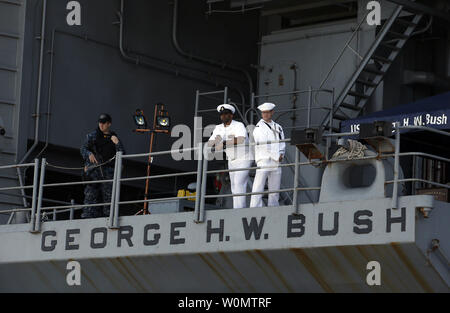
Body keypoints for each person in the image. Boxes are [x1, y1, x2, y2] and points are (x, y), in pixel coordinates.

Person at [80, 113, 125, 218]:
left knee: (108, 199)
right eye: (100, 122)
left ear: (109, 124)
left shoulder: (114, 137)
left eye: (104, 123)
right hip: (94, 171)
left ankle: (108, 219)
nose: (101, 125)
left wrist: (117, 143)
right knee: (90, 197)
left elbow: (121, 153)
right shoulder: (93, 136)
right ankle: (88, 218)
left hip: (108, 172)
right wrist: (89, 154)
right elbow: (83, 149)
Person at [208, 104, 252, 209]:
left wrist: (223, 143)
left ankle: (239, 210)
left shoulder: (238, 125)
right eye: (222, 115)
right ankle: (237, 209)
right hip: (231, 160)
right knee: (233, 186)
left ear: (231, 115)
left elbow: (240, 139)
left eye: (226, 114)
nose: (223, 116)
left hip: (244, 157)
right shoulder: (218, 128)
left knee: (239, 183)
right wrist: (216, 142)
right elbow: (210, 142)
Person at [250, 102, 285, 207]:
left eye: (267, 112)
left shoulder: (278, 127)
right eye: (263, 112)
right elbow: (263, 145)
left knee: (275, 188)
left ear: (272, 112)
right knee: (258, 186)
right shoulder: (258, 128)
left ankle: (273, 207)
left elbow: (282, 142)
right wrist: (276, 155)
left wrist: (281, 154)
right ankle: (255, 207)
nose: (265, 114)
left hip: (276, 160)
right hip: (264, 159)